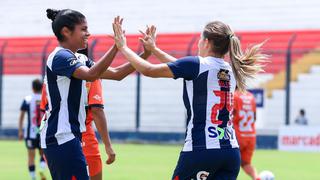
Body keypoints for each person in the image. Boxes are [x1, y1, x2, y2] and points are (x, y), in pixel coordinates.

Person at [112, 20, 267, 179]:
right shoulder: (231, 70)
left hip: (200, 149)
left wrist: (123, 46)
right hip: (230, 152)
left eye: (200, 39)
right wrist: (154, 49)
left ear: (206, 42)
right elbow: (180, 67)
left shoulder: (196, 64)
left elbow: (148, 70)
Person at [41, 9, 126, 180]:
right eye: (84, 29)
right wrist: (116, 47)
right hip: (60, 137)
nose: (89, 33)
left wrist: (146, 53)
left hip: (69, 136)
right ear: (66, 31)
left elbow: (117, 74)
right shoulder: (59, 57)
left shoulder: (80, 58)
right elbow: (91, 75)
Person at [18, 79, 47, 180]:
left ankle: (33, 177)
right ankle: (42, 169)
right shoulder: (46, 98)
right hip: (42, 131)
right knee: (43, 153)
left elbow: (21, 116)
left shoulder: (27, 99)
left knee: (31, 156)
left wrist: (20, 130)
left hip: (31, 132)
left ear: (32, 88)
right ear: (41, 88)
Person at [233, 88, 258, 180]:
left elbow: (231, 114)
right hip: (251, 136)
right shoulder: (251, 96)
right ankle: (257, 178)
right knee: (245, 163)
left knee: (228, 164)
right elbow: (254, 118)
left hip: (238, 136)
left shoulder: (234, 96)